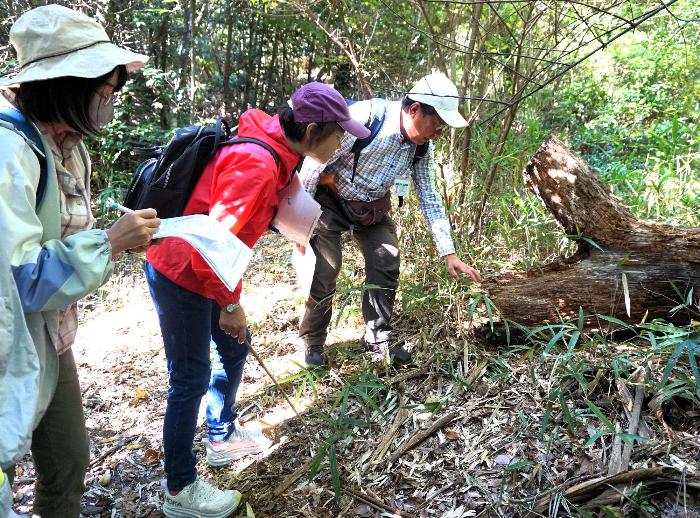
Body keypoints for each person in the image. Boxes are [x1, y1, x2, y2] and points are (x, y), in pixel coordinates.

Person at [144, 82, 370, 518]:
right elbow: (213, 244)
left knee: (231, 347)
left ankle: (221, 435)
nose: (342, 142)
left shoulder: (277, 147)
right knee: (189, 378)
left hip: (207, 270)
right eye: (337, 133)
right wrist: (229, 305)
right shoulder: (257, 163)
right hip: (181, 271)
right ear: (310, 130)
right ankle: (180, 489)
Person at [0, 5, 160, 517]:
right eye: (103, 93)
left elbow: (64, 229)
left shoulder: (66, 146)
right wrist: (108, 244)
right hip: (8, 338)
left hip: (47, 332)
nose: (108, 104)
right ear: (65, 86)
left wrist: (114, 239)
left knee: (68, 461)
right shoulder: (10, 152)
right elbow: (20, 278)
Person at [298, 72, 482, 367]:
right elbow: (312, 167)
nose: (438, 132)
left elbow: (430, 196)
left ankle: (377, 338)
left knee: (387, 259)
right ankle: (313, 342)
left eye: (442, 128)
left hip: (371, 209)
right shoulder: (364, 119)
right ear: (414, 110)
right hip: (329, 202)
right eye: (436, 124)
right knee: (326, 269)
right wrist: (300, 229)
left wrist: (449, 253)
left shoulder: (421, 147)